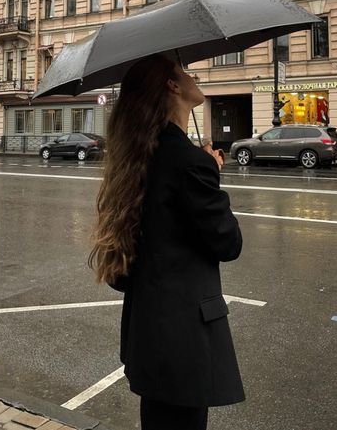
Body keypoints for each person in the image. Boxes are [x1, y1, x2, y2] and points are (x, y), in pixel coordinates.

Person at [88, 54, 245, 430]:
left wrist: (200, 165)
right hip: (184, 341)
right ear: (173, 87)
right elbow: (228, 243)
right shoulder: (185, 160)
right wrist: (209, 170)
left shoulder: (137, 155)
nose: (193, 75)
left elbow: (123, 271)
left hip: (148, 335)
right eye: (184, 71)